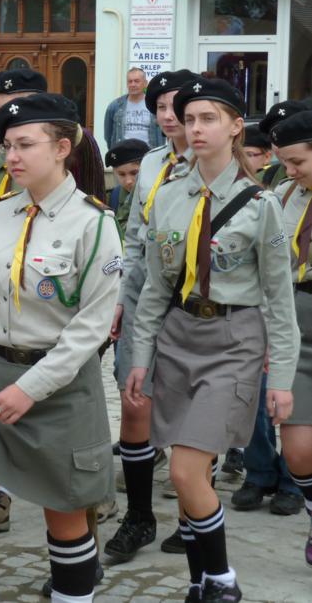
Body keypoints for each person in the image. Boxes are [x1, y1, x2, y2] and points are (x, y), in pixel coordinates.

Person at [0, 92, 121, 603]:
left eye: (25, 145)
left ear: (62, 148)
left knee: (66, 521)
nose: (12, 156)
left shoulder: (94, 223)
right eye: (7, 146)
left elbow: (91, 328)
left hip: (61, 390)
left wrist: (31, 389)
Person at [125, 77, 299, 602]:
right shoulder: (168, 197)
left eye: (208, 118)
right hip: (177, 337)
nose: (195, 128)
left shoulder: (261, 204)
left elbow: (279, 300)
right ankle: (200, 581)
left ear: (236, 126)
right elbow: (156, 287)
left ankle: (222, 580)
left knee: (184, 470)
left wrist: (282, 378)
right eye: (189, 119)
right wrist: (140, 355)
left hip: (233, 340)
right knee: (190, 477)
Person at [106, 69, 199, 564]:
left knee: (188, 412)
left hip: (192, 304)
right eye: (159, 107)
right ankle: (139, 516)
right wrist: (123, 298)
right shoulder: (149, 164)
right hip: (144, 298)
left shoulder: (210, 164)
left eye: (174, 106)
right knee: (134, 403)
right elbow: (135, 236)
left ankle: (193, 516)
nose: (167, 116)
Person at [267, 110, 312, 564]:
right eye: (285, 162)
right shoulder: (282, 196)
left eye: (297, 162)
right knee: (298, 450)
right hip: (296, 329)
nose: (290, 171)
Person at [103, 67, 164, 150]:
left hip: (149, 154)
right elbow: (108, 135)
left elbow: (162, 133)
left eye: (137, 81)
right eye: (130, 81)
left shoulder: (154, 105)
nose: (133, 84)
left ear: (145, 83)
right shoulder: (115, 106)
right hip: (124, 154)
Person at [105, 138, 150, 236]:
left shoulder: (157, 196)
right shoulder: (112, 198)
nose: (128, 181)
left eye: (134, 173)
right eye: (122, 174)